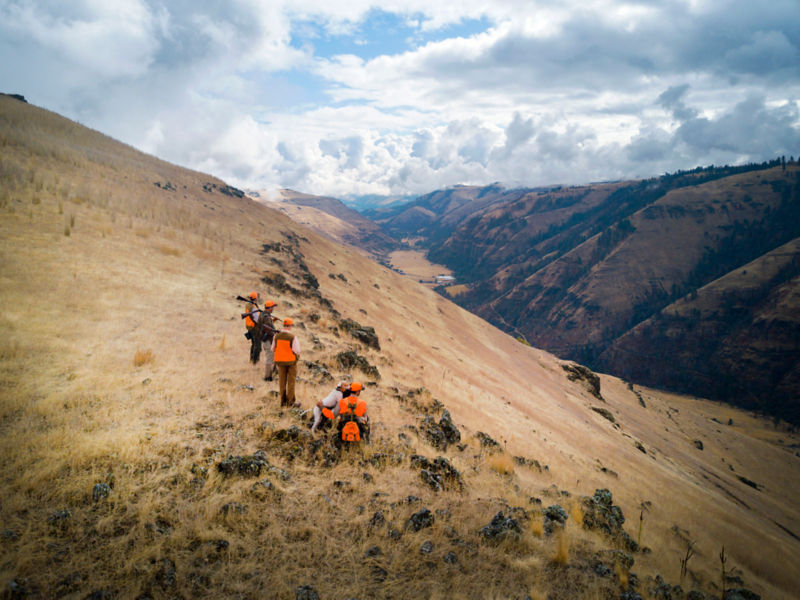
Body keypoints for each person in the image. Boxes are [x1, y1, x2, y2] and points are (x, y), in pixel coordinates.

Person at [271, 318, 300, 407]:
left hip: (280, 362)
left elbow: (272, 349)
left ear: (283, 325)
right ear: (290, 326)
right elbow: (297, 351)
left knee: (282, 382)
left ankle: (283, 402)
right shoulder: (292, 337)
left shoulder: (276, 336)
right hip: (291, 362)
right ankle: (291, 402)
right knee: (291, 382)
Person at [260, 300, 279, 381]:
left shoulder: (263, 315)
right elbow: (267, 330)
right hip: (268, 339)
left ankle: (275, 371)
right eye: (272, 307)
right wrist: (276, 332)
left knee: (273, 356)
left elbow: (267, 326)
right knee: (269, 357)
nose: (273, 309)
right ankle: (267, 377)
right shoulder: (266, 317)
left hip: (267, 339)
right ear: (270, 308)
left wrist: (273, 321)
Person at [243, 291, 263, 364]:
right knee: (257, 346)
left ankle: (251, 359)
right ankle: (255, 361)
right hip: (254, 328)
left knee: (254, 344)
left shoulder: (248, 305)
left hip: (249, 327)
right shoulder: (253, 307)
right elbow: (256, 319)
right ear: (256, 298)